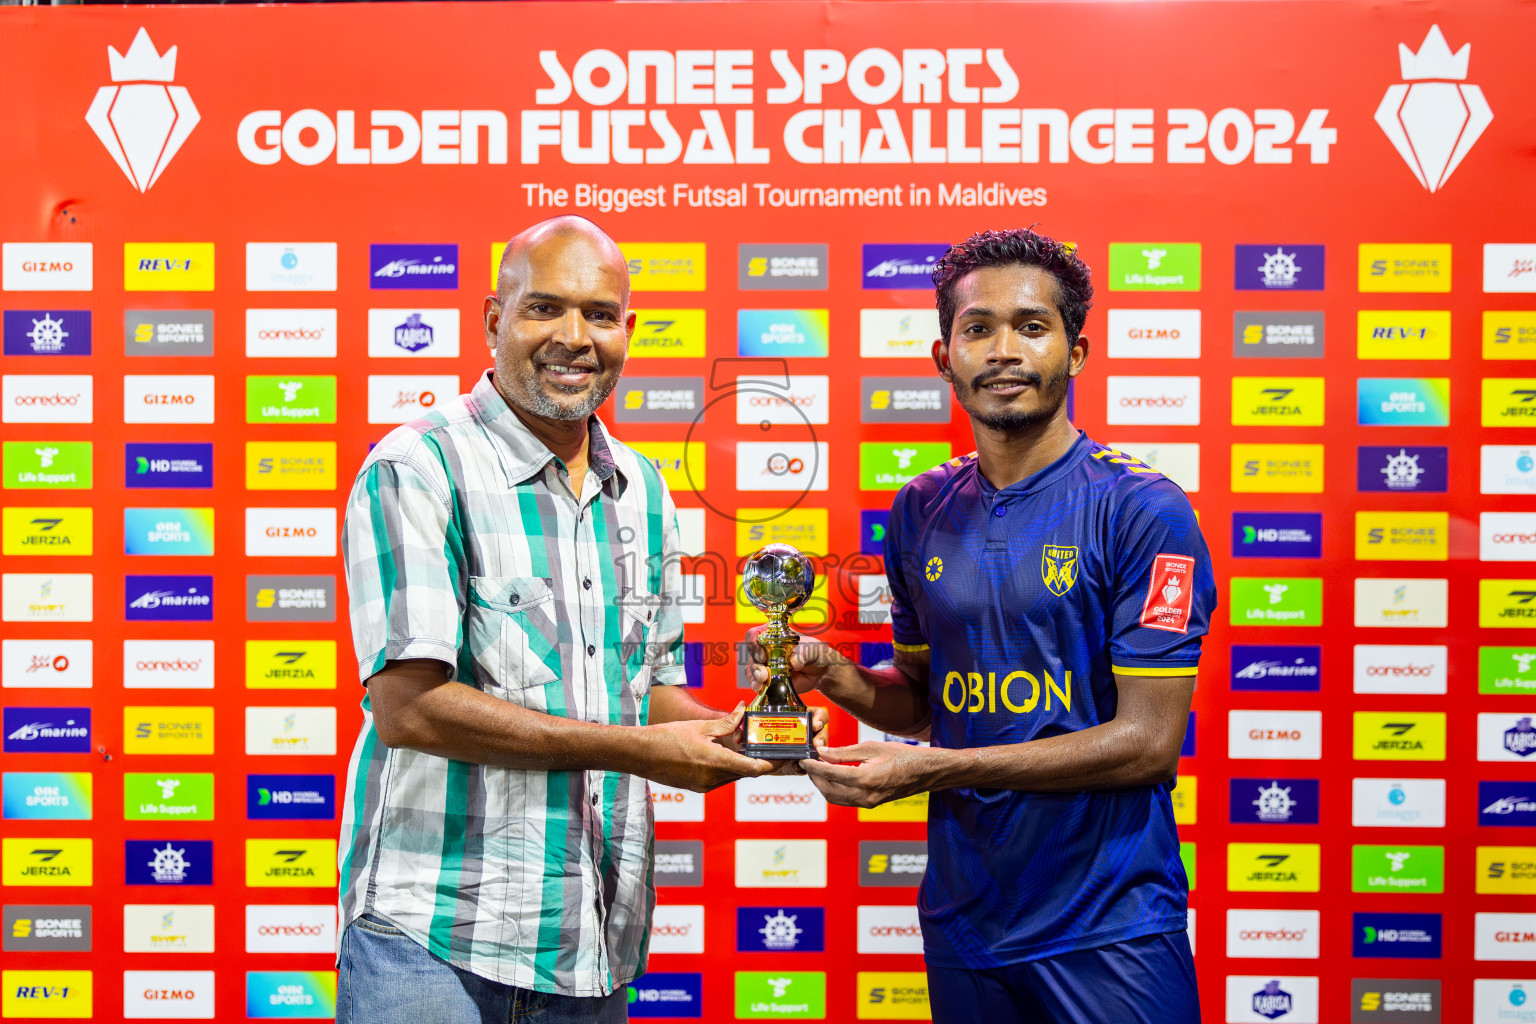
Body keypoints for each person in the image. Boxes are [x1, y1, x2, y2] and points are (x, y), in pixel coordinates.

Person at [336, 215, 825, 1024]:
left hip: (593, 938)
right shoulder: (419, 466)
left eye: (600, 315)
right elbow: (408, 709)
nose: (574, 338)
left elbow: (650, 692)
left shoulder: (645, 489)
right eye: (544, 309)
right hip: (434, 935)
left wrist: (742, 733)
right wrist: (642, 751)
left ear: (628, 331)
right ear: (495, 320)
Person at [752, 228, 1215, 1023]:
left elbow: (1148, 742)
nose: (1003, 349)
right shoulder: (920, 509)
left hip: (1107, 925)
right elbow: (925, 702)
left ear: (1076, 352)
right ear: (944, 358)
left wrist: (931, 771)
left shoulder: (1144, 511)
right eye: (978, 328)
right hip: (966, 920)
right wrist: (836, 676)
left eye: (1032, 326)